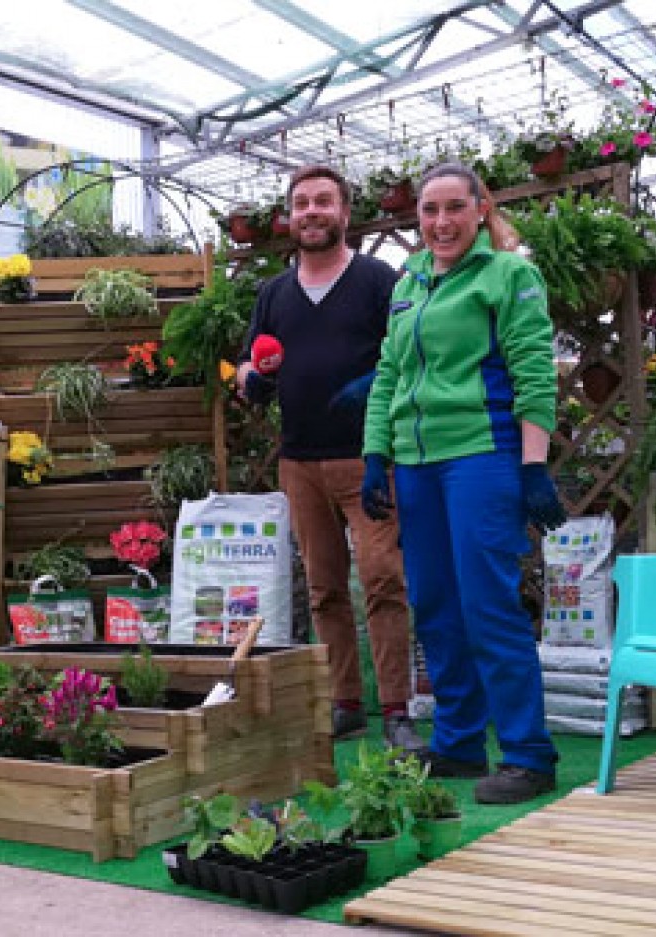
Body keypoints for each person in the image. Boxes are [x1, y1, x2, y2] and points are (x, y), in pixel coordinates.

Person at [359, 161, 567, 804]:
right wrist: (375, 455)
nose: (441, 222)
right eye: (429, 211)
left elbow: (534, 369)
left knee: (488, 605)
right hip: (417, 465)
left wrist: (532, 464)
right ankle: (457, 743)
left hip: (482, 455)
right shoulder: (409, 283)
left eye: (454, 208)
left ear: (481, 209)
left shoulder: (509, 274)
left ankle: (529, 754)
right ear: (416, 218)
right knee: (437, 607)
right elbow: (389, 372)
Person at [236, 164, 424, 753]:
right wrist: (253, 381)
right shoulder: (274, 292)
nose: (311, 212)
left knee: (382, 580)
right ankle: (345, 704)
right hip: (300, 463)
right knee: (323, 589)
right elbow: (246, 364)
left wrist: (372, 384)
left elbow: (410, 354)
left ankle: (396, 708)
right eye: (301, 203)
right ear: (289, 218)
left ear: (345, 214)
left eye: (323, 202)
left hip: (368, 459)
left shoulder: (377, 280)